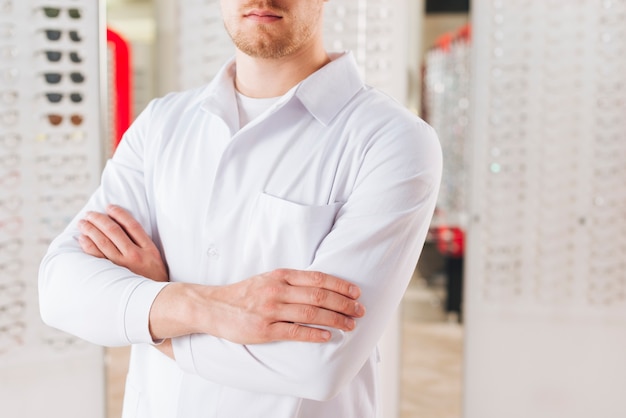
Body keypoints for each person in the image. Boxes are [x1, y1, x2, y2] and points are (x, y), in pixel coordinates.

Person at [38, 1, 442, 417]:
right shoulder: (162, 124)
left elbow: (317, 364)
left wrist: (148, 311)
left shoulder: (393, 140)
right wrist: (202, 306)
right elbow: (59, 289)